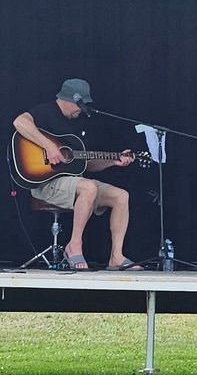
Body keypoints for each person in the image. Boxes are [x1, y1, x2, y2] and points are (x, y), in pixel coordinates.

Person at [13, 78, 138, 271]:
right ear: (69, 100)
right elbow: (19, 122)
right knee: (89, 186)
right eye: (80, 105)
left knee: (121, 196)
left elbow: (85, 164)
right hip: (46, 184)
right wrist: (49, 146)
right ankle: (74, 246)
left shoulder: (80, 124)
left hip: (74, 182)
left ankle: (116, 257)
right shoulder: (46, 111)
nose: (82, 109)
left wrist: (113, 161)